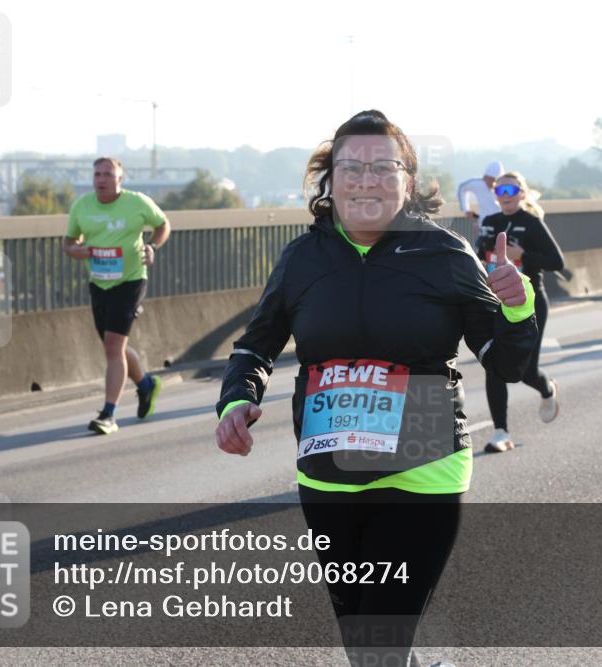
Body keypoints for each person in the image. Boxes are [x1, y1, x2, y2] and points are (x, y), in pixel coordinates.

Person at [214, 110, 537, 667]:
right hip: (328, 475)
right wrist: (238, 400)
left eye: (383, 167)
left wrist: (517, 304)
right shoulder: (302, 259)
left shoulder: (446, 257)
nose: (366, 179)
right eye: (351, 167)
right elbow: (256, 344)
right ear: (330, 181)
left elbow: (504, 362)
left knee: (379, 649)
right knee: (367, 647)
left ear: (407, 182)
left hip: (422, 468)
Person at [63, 157, 171, 434]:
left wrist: (152, 247)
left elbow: (163, 225)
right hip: (99, 283)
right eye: (97, 174)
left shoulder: (137, 202)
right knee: (115, 348)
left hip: (131, 280)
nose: (101, 179)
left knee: (113, 347)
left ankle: (108, 414)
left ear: (120, 179)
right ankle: (146, 385)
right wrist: (76, 250)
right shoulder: (82, 206)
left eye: (108, 175)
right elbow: (69, 241)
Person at [477, 171, 564, 452]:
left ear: (522, 193)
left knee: (525, 371)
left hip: (531, 303)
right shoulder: (490, 223)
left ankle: (546, 388)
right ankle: (500, 432)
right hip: (496, 302)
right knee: (494, 365)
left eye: (510, 191)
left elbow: (556, 261)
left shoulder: (531, 223)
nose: (505, 197)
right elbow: (479, 257)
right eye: (499, 192)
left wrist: (523, 257)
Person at [457, 161, 504, 240]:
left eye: (492, 179)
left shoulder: (505, 189)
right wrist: (466, 209)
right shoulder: (479, 184)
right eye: (487, 178)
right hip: (483, 226)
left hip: (502, 226)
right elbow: (462, 187)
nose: (488, 182)